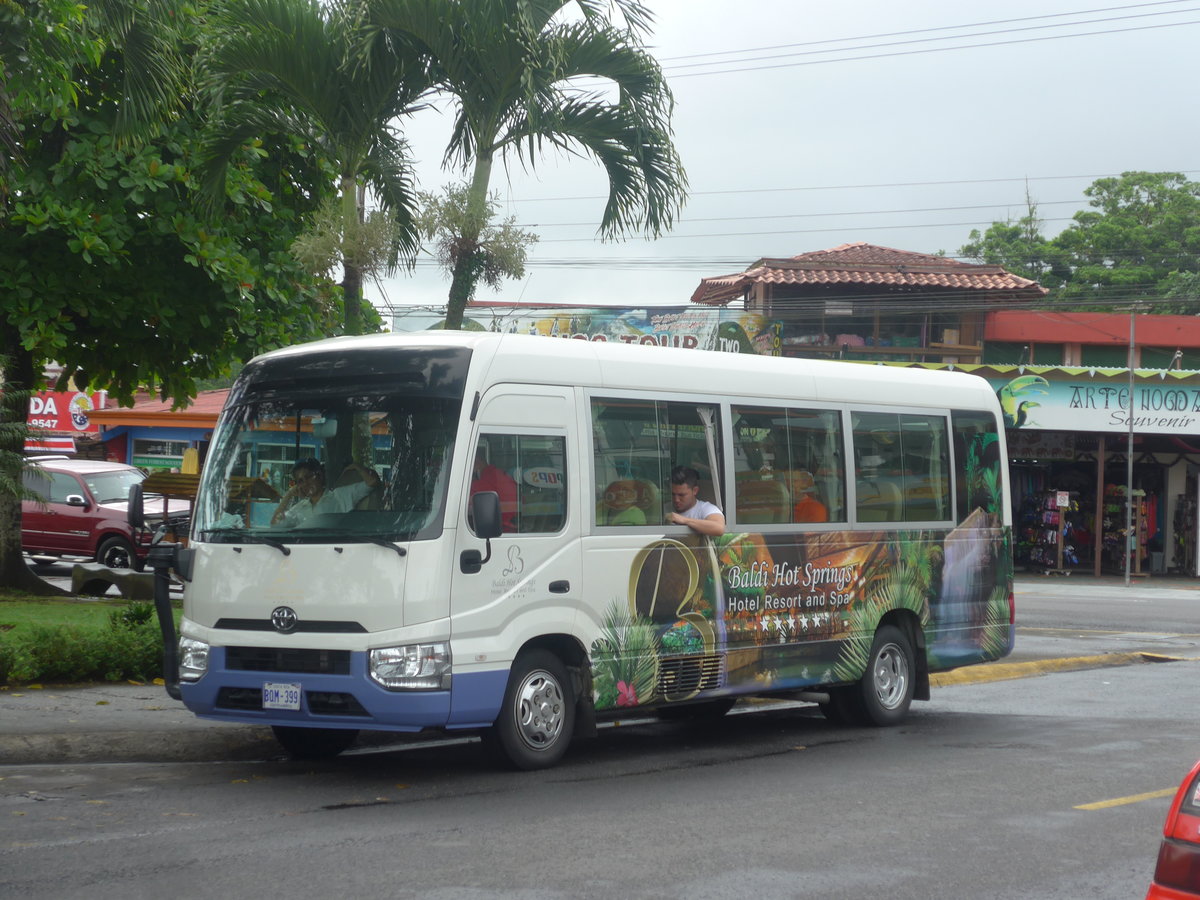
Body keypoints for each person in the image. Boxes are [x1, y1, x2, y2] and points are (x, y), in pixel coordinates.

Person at [270, 457, 380, 527]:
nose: (305, 483)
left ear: (320, 475)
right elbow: (275, 525)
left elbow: (373, 481)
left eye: (308, 477)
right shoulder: (299, 508)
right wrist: (289, 495)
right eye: (300, 481)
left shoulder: (340, 495)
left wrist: (356, 466)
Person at [471, 444, 518, 532]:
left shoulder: (487, 479)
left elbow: (468, 501)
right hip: (510, 523)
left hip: (501, 528)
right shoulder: (499, 474)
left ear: (477, 460)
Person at [667, 465, 725, 536]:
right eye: (673, 494)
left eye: (681, 495)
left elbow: (719, 528)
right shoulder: (663, 508)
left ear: (695, 491)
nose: (676, 500)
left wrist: (685, 520)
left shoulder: (705, 508)